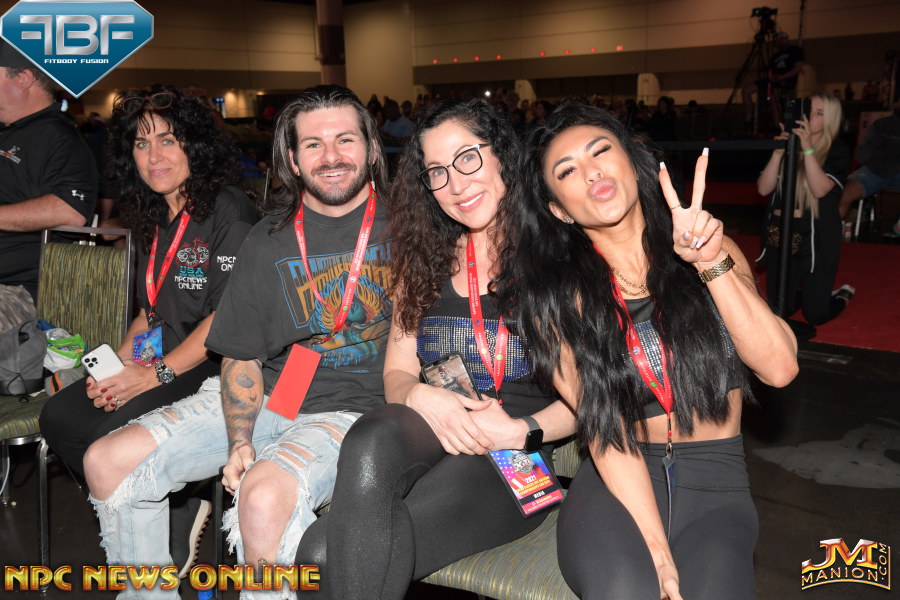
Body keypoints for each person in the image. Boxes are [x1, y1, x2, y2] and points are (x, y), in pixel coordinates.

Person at [82, 84, 392, 599]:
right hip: (273, 396)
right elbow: (240, 353)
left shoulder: (415, 229)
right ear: (292, 159)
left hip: (356, 411)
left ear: (372, 148)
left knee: (261, 497)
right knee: (108, 460)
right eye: (313, 144)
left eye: (345, 140)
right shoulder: (268, 239)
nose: (331, 156)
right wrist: (241, 438)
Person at [496, 101, 798, 599]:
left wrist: (710, 263)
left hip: (717, 480)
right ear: (558, 209)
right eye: (566, 171)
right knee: (630, 589)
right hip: (618, 484)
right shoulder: (557, 301)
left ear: (632, 163)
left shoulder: (709, 249)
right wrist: (658, 553)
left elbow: (780, 367)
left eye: (600, 151)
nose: (590, 172)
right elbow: (607, 429)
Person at [298, 98, 575, 600]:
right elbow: (397, 373)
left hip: (512, 456)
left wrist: (520, 430)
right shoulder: (425, 258)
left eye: (468, 158)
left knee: (320, 555)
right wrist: (420, 395)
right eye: (437, 172)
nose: (456, 183)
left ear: (502, 155)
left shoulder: (557, 254)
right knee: (370, 435)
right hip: (432, 428)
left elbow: (595, 398)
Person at [39, 84, 258, 574]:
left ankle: (173, 512)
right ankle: (166, 503)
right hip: (161, 358)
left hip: (214, 364)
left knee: (105, 434)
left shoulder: (229, 211)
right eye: (142, 143)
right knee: (59, 418)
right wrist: (117, 367)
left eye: (168, 140)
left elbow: (226, 318)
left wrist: (151, 375)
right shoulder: (155, 213)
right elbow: (150, 311)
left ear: (195, 147)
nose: (154, 156)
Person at [0, 40, 97, 313]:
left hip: (20, 290)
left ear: (24, 78)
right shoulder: (8, 132)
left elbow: (70, 211)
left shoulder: (59, 137)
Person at [757, 93, 853, 325]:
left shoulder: (837, 149)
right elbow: (763, 188)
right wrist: (778, 152)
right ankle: (805, 293)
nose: (810, 117)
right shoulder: (788, 144)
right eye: (808, 110)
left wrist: (808, 149)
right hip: (783, 234)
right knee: (780, 309)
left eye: (819, 113)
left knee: (815, 315)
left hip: (818, 238)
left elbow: (820, 190)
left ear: (830, 120)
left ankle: (842, 295)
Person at [838, 104, 900, 220]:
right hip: (876, 170)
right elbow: (863, 153)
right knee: (842, 193)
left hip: (885, 169)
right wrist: (883, 167)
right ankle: (829, 229)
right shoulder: (882, 124)